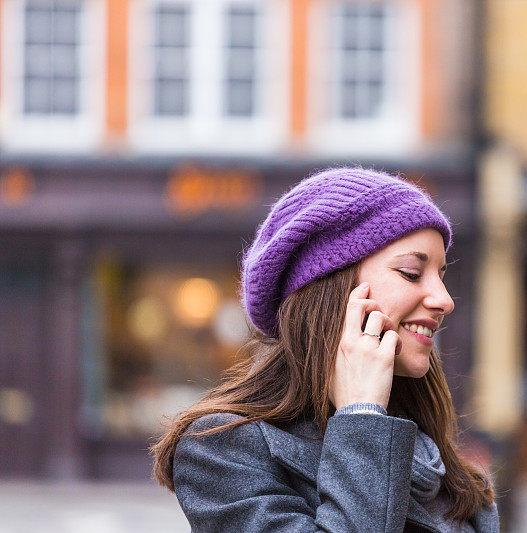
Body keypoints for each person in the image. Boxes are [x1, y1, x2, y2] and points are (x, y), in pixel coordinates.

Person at [150, 167, 499, 532]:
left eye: (442, 276)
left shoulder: (453, 476)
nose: (444, 300)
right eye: (412, 273)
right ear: (333, 289)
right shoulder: (224, 448)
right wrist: (361, 416)